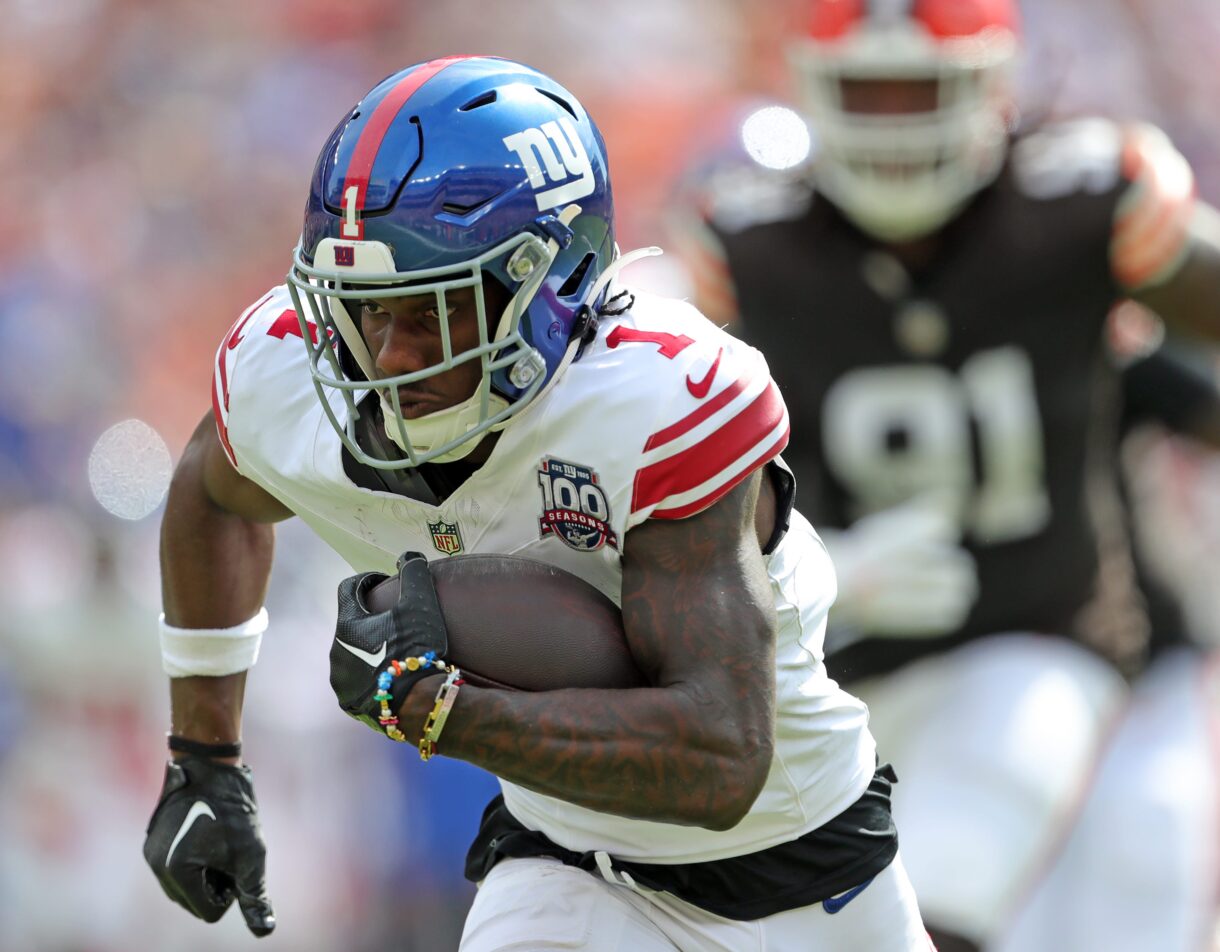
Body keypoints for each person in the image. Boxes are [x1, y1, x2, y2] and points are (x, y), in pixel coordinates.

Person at [141, 55, 932, 950]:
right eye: (366, 311)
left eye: (432, 311)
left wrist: (439, 710)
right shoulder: (288, 377)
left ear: (548, 283)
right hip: (565, 861)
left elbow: (721, 758)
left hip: (803, 875)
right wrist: (204, 760)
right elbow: (213, 494)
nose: (392, 359)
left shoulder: (655, 399)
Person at [670, 1, 1220, 950]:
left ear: (991, 84)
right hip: (834, 666)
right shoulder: (747, 241)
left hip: (1041, 634)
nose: (895, 123)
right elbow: (650, 470)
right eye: (867, 93)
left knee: (964, 897)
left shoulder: (1083, 200)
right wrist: (810, 567)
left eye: (919, 90)